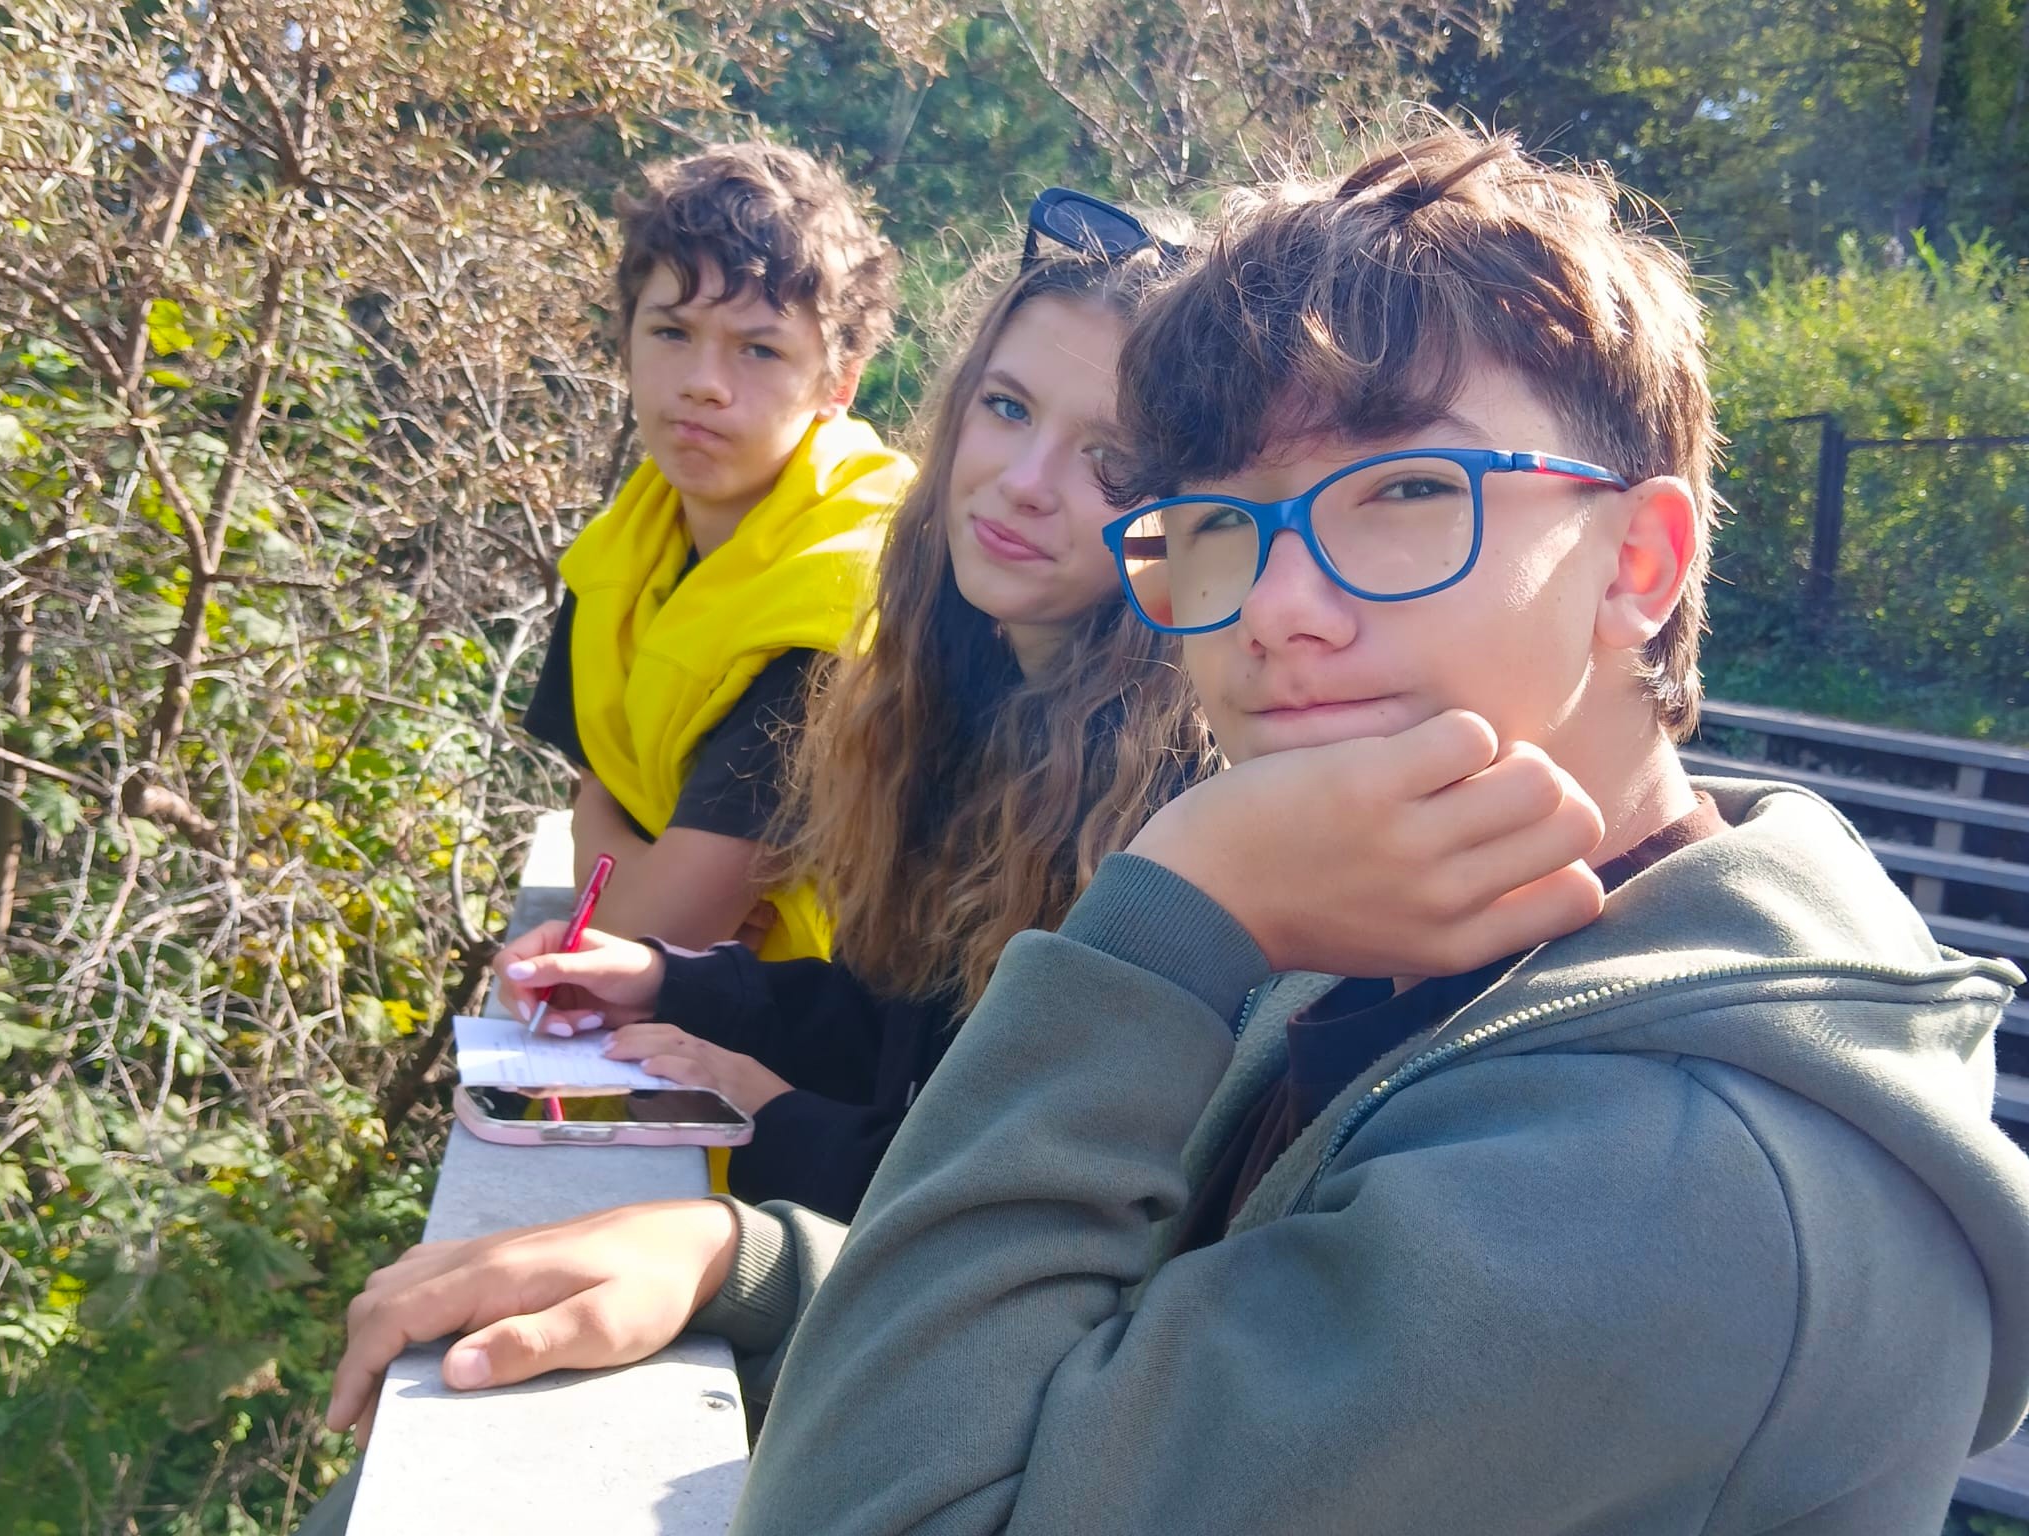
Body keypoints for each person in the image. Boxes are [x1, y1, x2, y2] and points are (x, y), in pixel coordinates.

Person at [323, 125, 2029, 1535]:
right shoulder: (1417, 941)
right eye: (1216, 524)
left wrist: (1168, 912)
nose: (1273, 608)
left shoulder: (1672, 1193)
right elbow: (1144, 1347)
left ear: (1637, 566)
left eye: (1403, 494)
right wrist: (752, 1256)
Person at [494, 196, 1207, 1221]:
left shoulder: (1172, 808)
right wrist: (667, 982)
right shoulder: (960, 688)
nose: (1023, 482)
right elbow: (897, 1025)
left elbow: (1031, 1206)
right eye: (1007, 408)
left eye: (1112, 460)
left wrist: (772, 1117)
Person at [522, 141, 912, 954]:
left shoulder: (841, 589)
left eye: (759, 349)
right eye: (671, 331)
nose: (703, 381)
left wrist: (647, 890)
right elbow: (602, 821)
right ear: (626, 341)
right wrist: (651, 885)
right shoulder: (619, 557)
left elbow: (659, 932)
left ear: (839, 382)